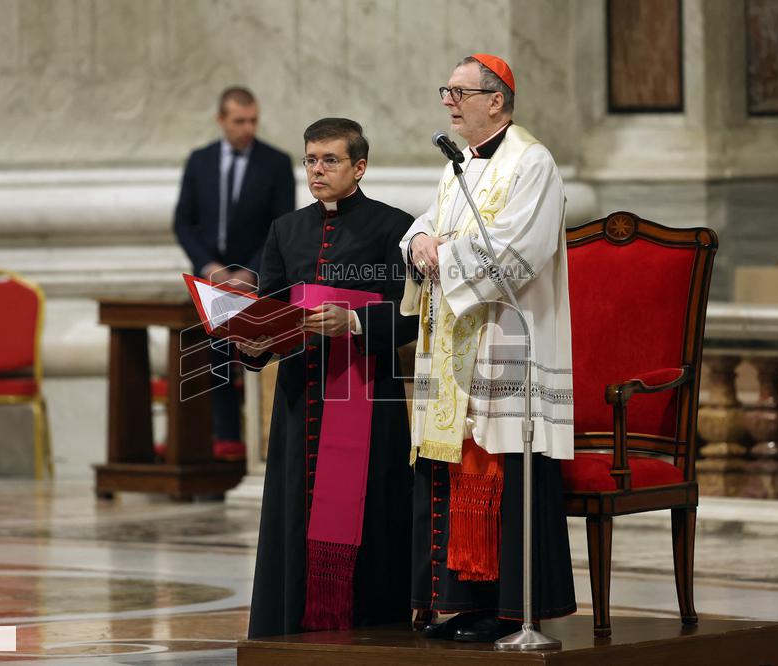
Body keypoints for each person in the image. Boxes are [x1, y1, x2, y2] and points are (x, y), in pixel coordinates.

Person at [399, 54, 576, 642]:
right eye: (445, 90)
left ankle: (512, 609)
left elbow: (520, 252)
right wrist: (420, 238)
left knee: (507, 467)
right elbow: (431, 222)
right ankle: (468, 604)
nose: (447, 101)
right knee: (460, 469)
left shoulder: (533, 163)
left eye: (457, 91)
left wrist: (443, 254)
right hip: (457, 346)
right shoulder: (460, 165)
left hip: (508, 341)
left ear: (495, 100)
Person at [238, 118, 418, 638]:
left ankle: (372, 629)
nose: (317, 170)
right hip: (302, 403)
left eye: (330, 160)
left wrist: (356, 320)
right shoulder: (286, 230)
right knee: (294, 517)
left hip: (367, 399)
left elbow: (412, 314)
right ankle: (292, 628)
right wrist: (253, 345)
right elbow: (269, 313)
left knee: (371, 518)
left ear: (359, 167)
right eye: (311, 160)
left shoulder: (394, 228)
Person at [173, 86, 295, 460]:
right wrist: (209, 267)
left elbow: (282, 224)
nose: (247, 128)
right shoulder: (200, 160)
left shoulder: (275, 163)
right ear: (221, 120)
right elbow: (183, 222)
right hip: (209, 277)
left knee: (240, 351)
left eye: (253, 120)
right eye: (239, 121)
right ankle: (212, 439)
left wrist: (251, 271)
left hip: (253, 280)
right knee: (203, 352)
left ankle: (243, 439)